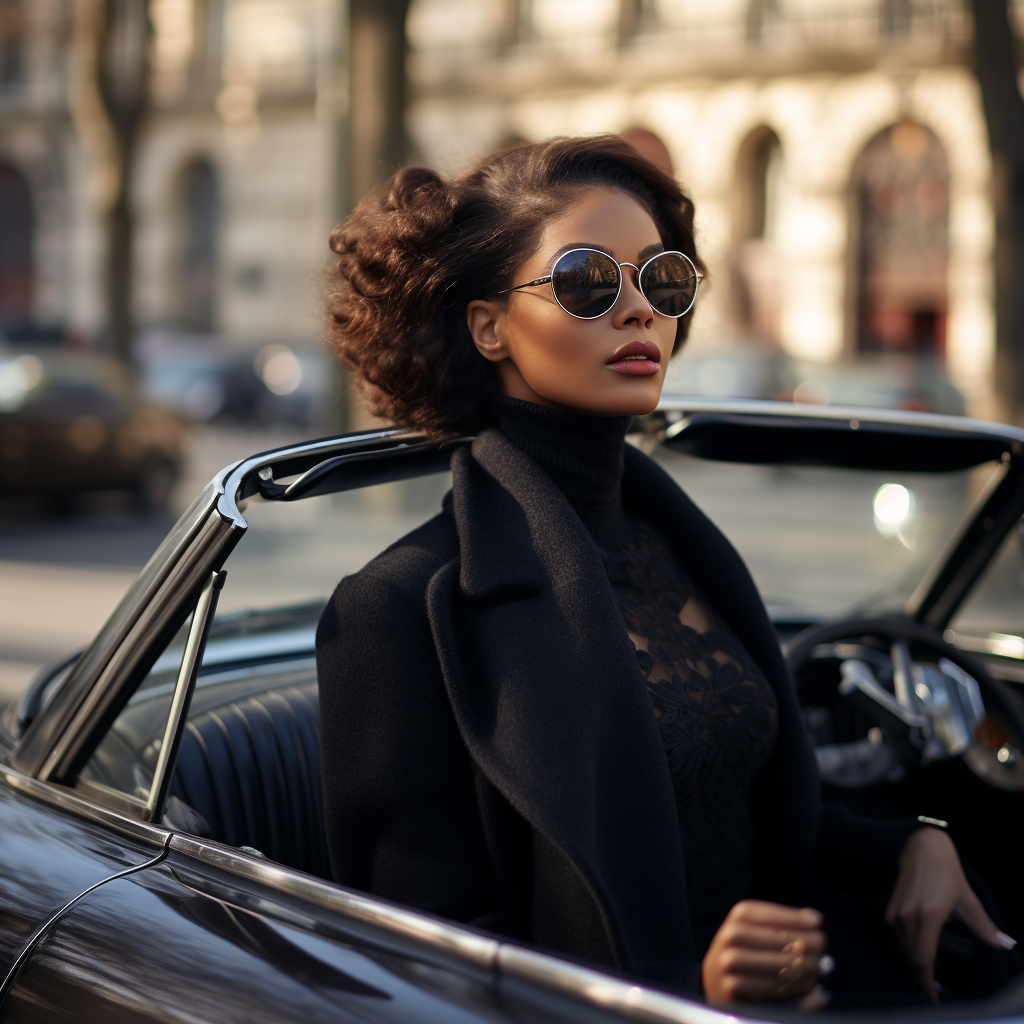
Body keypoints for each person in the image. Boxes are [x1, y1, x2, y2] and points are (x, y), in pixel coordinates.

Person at [316, 135, 1016, 1009]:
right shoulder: (396, 608)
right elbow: (417, 971)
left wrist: (911, 844)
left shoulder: (682, 545)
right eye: (586, 282)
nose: (639, 310)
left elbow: (741, 818)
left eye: (663, 280)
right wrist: (686, 992)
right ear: (488, 324)